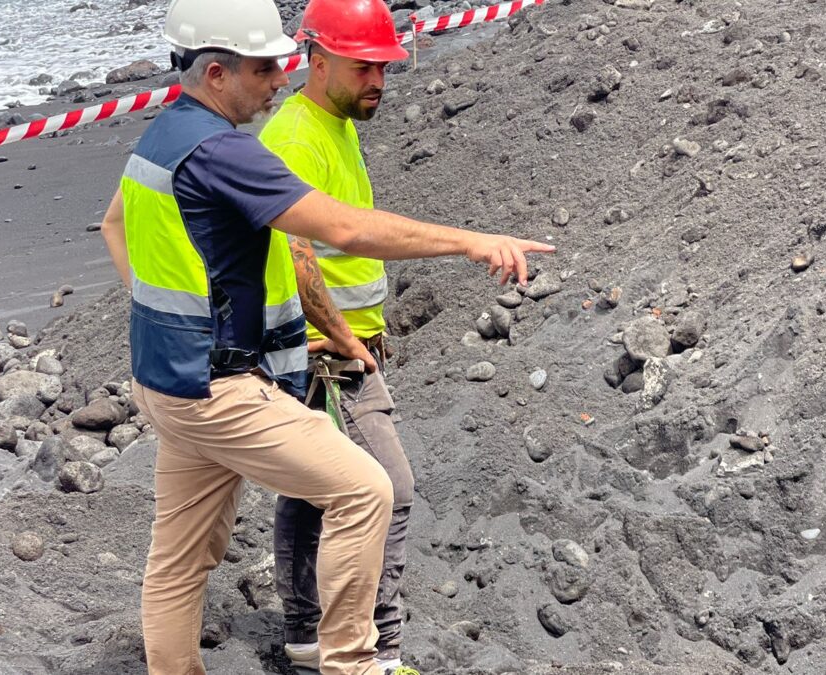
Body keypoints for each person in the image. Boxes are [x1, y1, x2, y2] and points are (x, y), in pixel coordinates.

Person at [99, 0, 553, 673]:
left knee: (180, 554)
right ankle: (352, 664)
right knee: (365, 489)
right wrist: (471, 241)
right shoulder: (223, 151)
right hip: (215, 387)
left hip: (169, 375)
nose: (277, 81)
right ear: (216, 73)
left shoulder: (162, 138)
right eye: (263, 69)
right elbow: (340, 230)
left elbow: (116, 226)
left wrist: (183, 320)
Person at [258, 1, 418, 671]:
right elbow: (296, 262)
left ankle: (304, 632)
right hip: (327, 354)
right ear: (317, 62)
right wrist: (347, 341)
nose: (377, 79)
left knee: (311, 488)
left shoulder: (337, 121)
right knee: (389, 489)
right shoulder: (296, 138)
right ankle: (376, 649)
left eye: (383, 66)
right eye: (364, 66)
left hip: (332, 347)